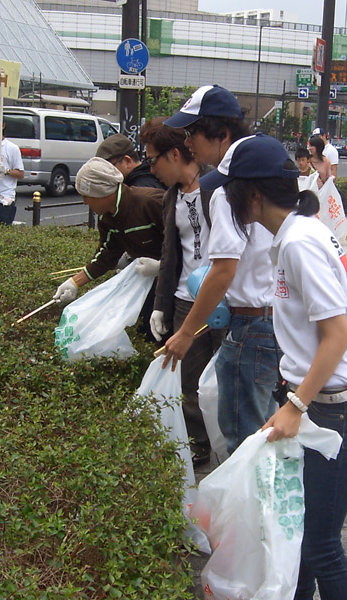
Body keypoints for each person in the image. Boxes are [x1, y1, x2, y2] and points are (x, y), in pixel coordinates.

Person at [203, 133, 347, 600]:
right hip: (321, 402)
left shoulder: (300, 243)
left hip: (337, 409)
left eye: (230, 191)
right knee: (301, 537)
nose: (225, 201)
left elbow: (337, 336)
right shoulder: (296, 234)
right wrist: (293, 399)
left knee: (322, 546)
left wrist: (295, 405)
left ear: (253, 196)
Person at [161, 85, 279, 460]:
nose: (187, 143)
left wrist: (185, 333)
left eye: (192, 133)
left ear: (221, 134)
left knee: (245, 438)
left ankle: (249, 498)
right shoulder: (266, 169)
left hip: (251, 325)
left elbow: (224, 269)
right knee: (264, 428)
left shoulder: (229, 188)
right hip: (274, 318)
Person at [139, 117, 225, 467]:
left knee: (226, 378)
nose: (151, 169)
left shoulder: (218, 188)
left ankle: (230, 442)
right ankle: (198, 443)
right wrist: (160, 305)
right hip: (184, 301)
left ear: (174, 155)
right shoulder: (171, 197)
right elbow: (170, 254)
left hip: (224, 301)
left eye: (153, 160)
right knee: (188, 378)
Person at [53, 158, 164, 335]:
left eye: (86, 196)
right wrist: (74, 282)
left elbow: (188, 241)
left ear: (101, 193)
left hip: (179, 285)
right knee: (149, 333)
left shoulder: (150, 203)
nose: (84, 202)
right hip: (150, 284)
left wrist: (163, 267)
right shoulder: (107, 218)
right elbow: (106, 256)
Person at [96, 133, 166, 189]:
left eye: (110, 167)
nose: (105, 172)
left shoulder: (140, 189)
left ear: (127, 161)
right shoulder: (143, 179)